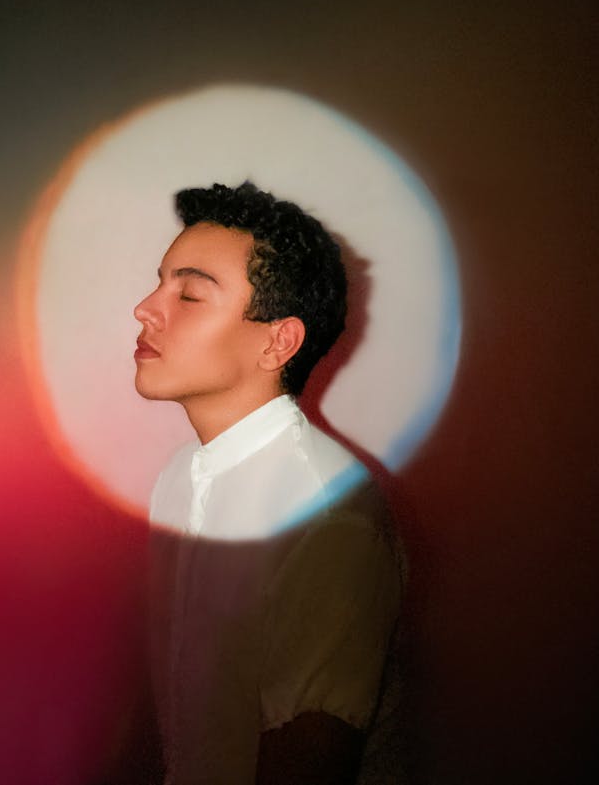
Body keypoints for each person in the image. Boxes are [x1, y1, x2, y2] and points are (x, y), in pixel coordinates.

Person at [133, 181, 403, 785]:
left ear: (278, 342)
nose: (146, 308)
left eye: (191, 294)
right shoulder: (178, 477)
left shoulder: (328, 518)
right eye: (159, 282)